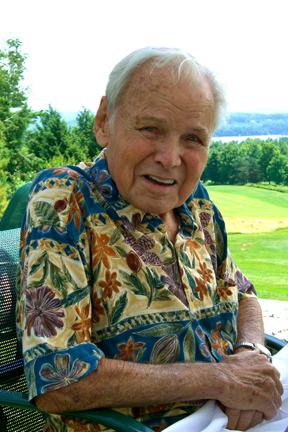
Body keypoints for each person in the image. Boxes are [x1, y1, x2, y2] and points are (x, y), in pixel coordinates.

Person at [16, 47, 283, 432]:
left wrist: (252, 354)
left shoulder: (197, 204)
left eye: (193, 138)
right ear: (105, 121)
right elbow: (57, 377)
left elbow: (243, 293)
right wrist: (222, 380)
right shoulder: (65, 200)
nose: (170, 157)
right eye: (151, 129)